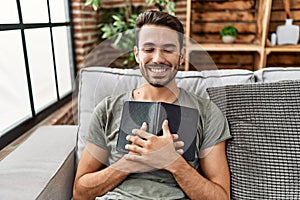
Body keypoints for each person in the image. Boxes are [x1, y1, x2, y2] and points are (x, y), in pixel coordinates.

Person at [73, 10, 231, 200]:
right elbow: (80, 192)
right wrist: (129, 163)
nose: (157, 58)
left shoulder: (208, 112)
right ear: (137, 55)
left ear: (181, 55)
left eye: (168, 49)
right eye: (149, 49)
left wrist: (173, 162)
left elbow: (221, 197)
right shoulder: (108, 109)